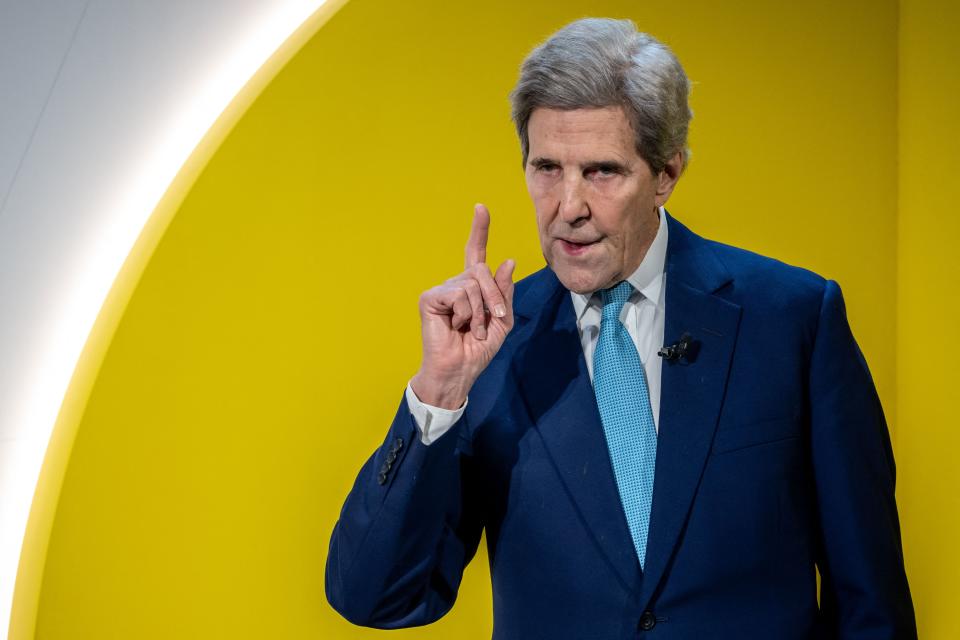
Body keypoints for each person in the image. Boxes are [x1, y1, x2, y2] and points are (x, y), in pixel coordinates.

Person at [325, 18, 916, 639]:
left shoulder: (793, 317)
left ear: (666, 174)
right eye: (546, 168)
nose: (569, 206)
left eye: (602, 171)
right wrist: (439, 393)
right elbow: (375, 598)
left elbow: (870, 600)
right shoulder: (491, 344)